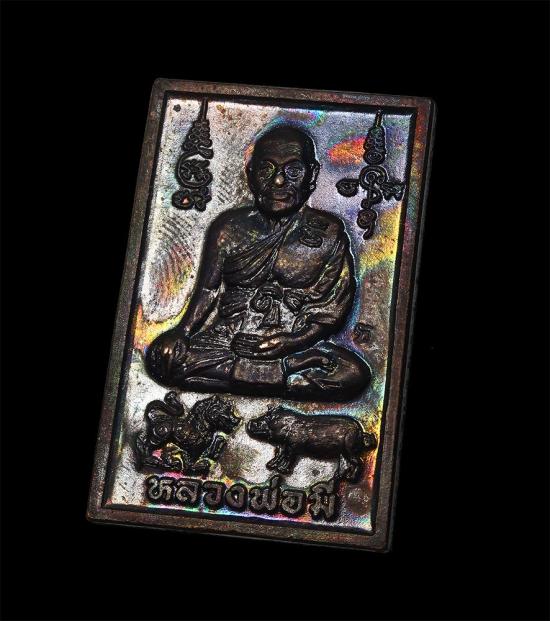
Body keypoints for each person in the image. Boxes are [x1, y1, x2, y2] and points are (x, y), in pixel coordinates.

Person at [145, 125, 370, 401]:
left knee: (353, 374)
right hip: (230, 340)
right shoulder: (229, 228)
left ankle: (255, 375)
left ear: (311, 175)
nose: (279, 181)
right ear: (250, 175)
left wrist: (293, 341)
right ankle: (281, 378)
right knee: (162, 359)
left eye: (293, 171)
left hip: (295, 345)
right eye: (266, 170)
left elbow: (333, 307)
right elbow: (208, 290)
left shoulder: (329, 232)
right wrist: (183, 331)